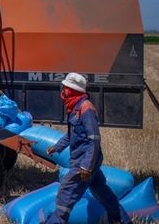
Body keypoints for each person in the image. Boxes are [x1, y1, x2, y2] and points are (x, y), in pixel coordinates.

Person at [45, 73, 131, 224]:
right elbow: (71, 134)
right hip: (86, 161)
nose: (62, 91)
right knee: (101, 191)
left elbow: (94, 140)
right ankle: (120, 220)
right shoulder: (75, 108)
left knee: (66, 192)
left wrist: (86, 166)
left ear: (73, 90)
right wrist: (57, 147)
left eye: (65, 88)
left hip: (84, 162)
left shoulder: (86, 109)